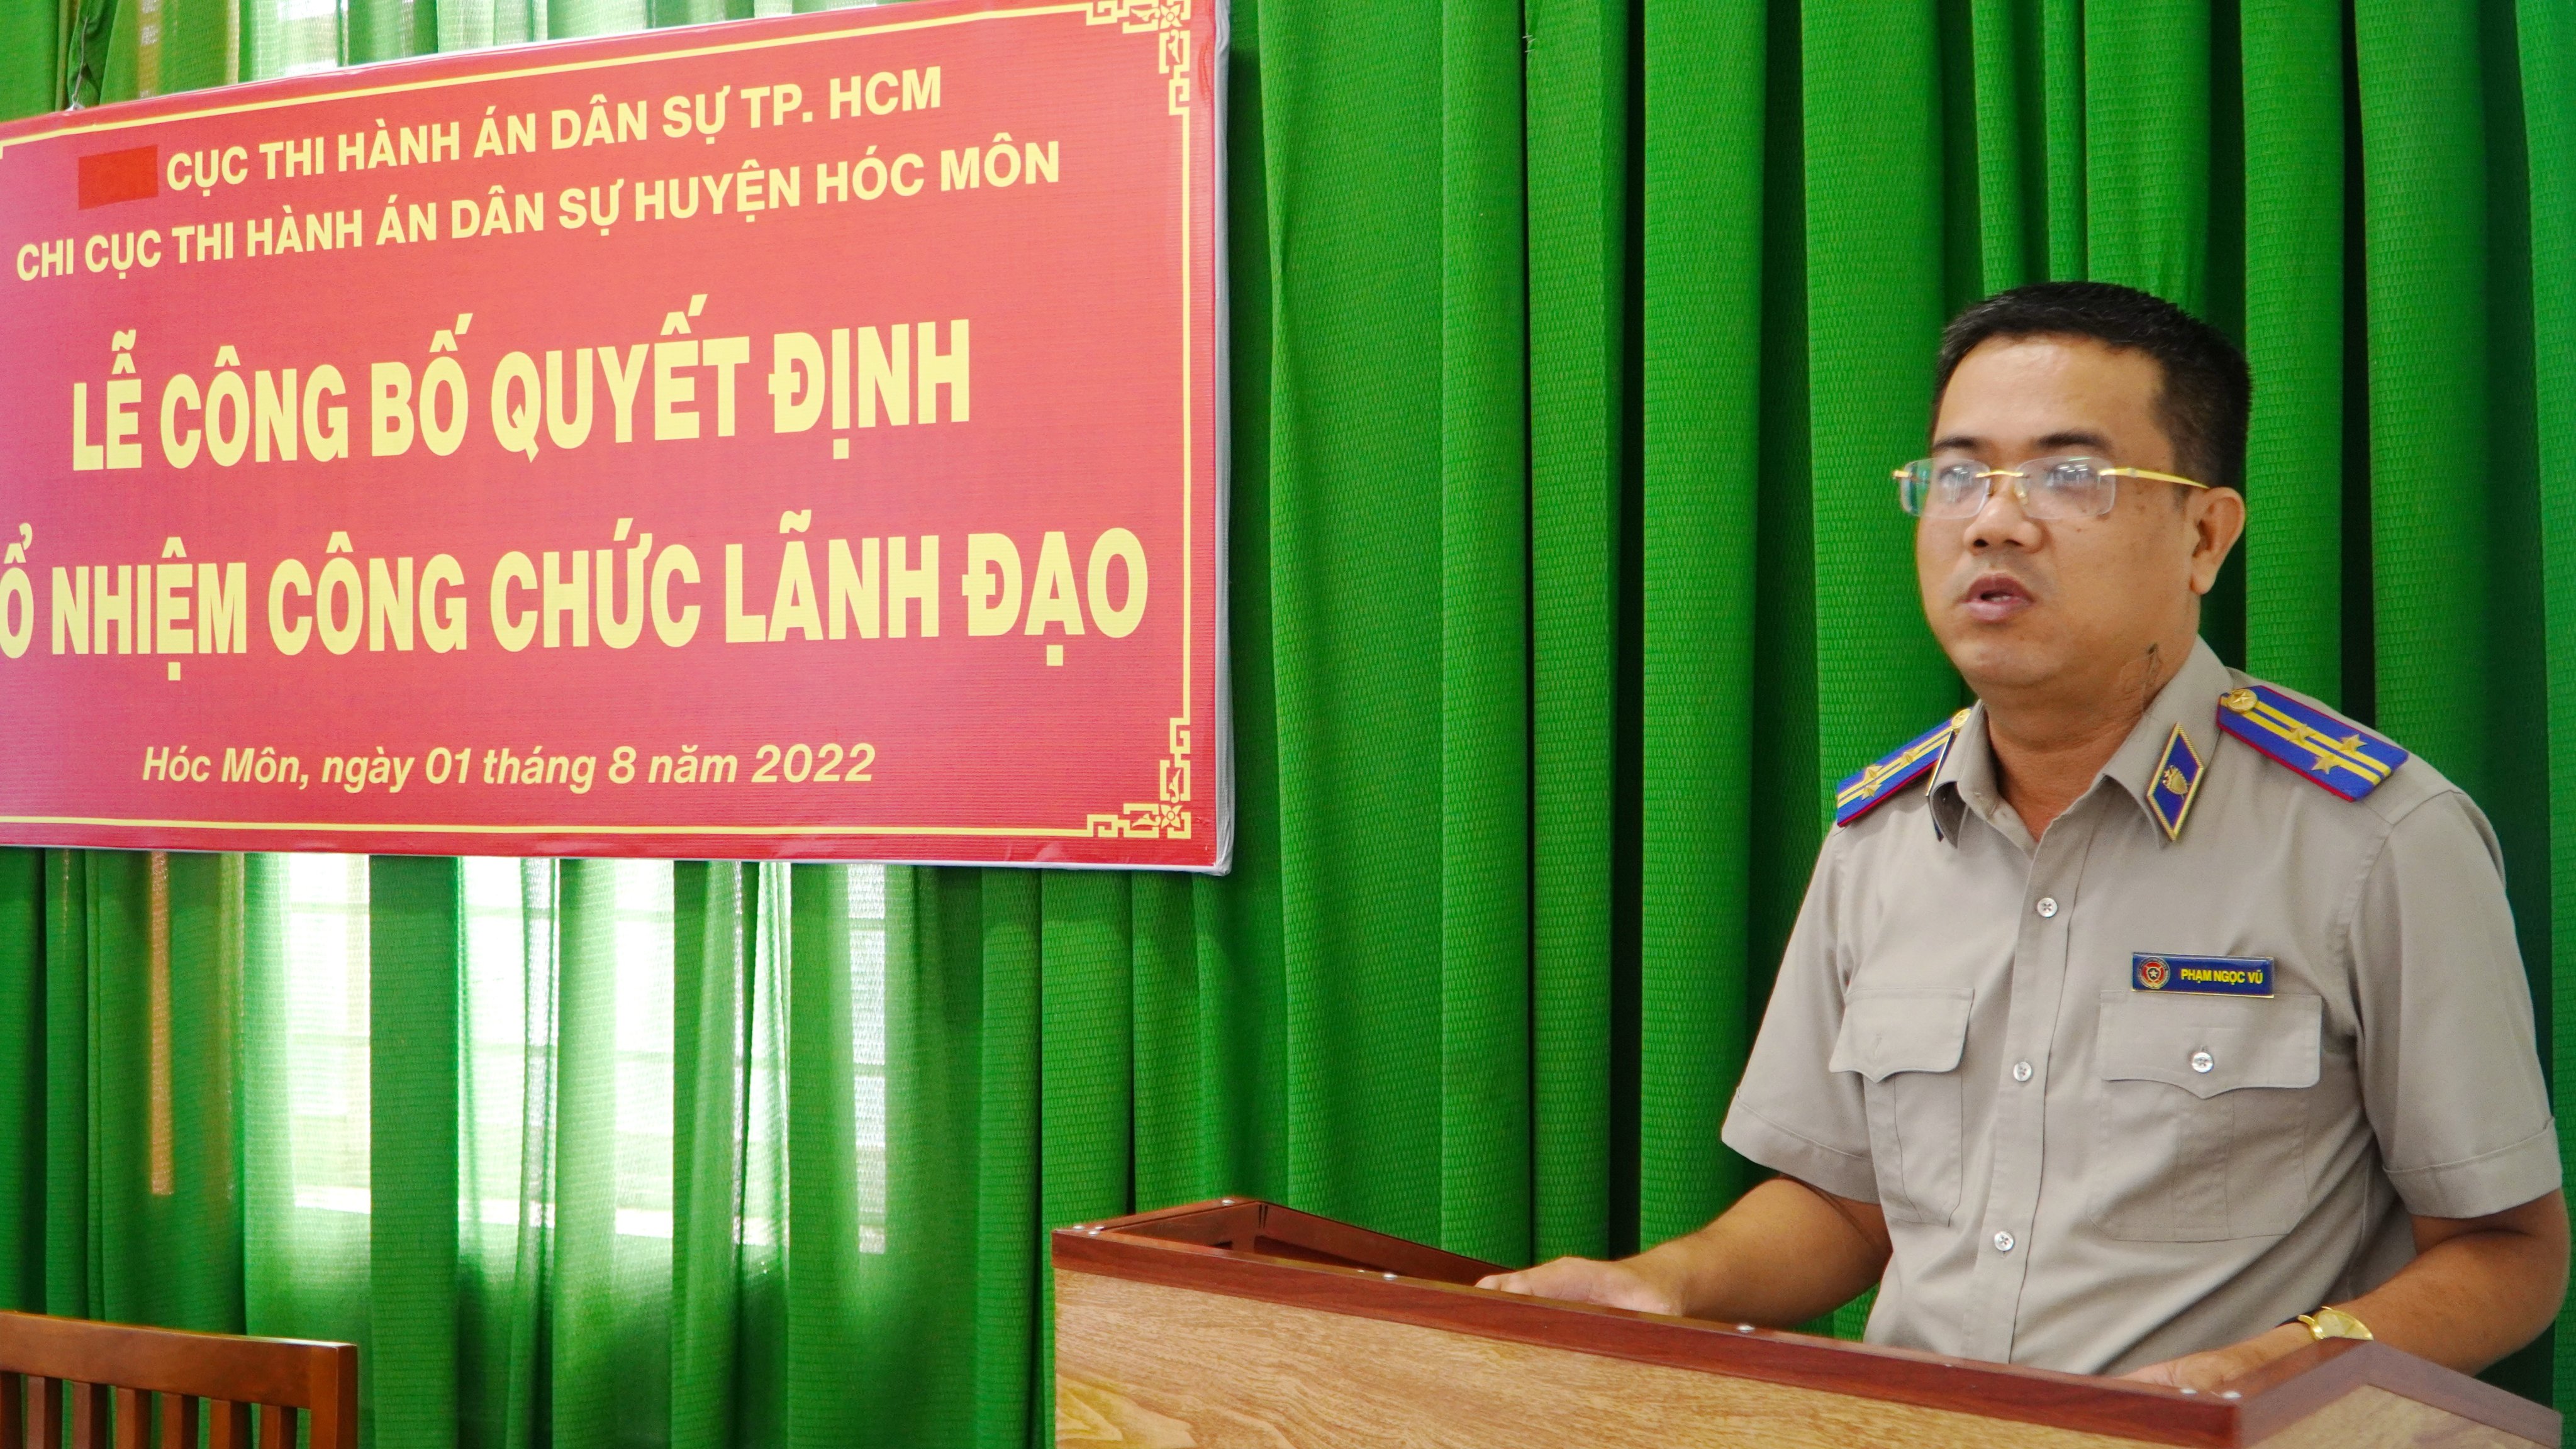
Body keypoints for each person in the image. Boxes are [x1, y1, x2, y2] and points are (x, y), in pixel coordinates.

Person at [1481, 280, 2567, 1386]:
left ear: (2204, 535)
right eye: (1958, 476)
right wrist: (1664, 1284)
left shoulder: (2376, 840)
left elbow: (2509, 1252)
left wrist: (2263, 1373)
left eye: (2070, 476)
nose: (1994, 522)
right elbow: (1848, 1209)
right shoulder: (1881, 837)